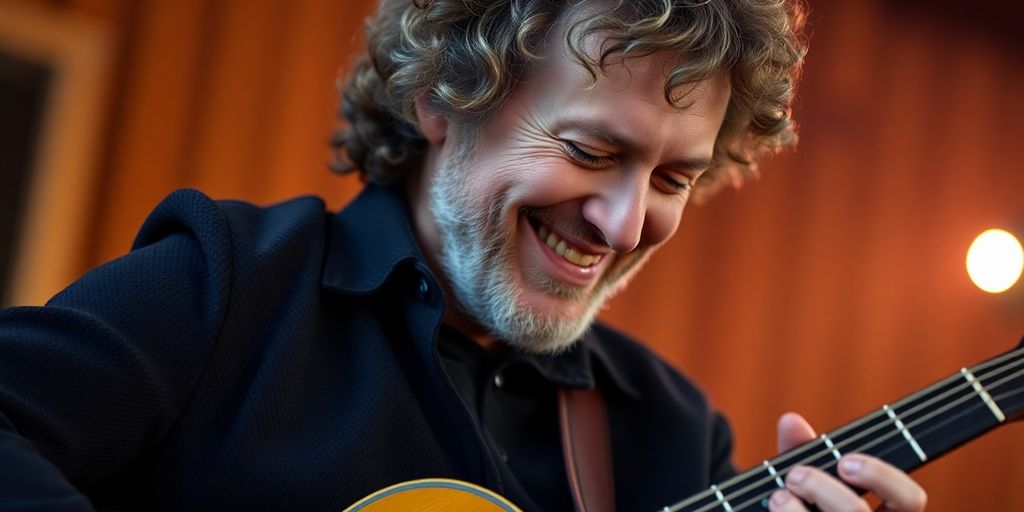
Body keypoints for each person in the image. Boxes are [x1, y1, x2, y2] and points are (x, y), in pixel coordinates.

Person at [0, 0, 928, 511]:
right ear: (443, 100)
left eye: (672, 180)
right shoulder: (226, 286)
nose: (622, 221)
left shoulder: (671, 437)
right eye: (591, 151)